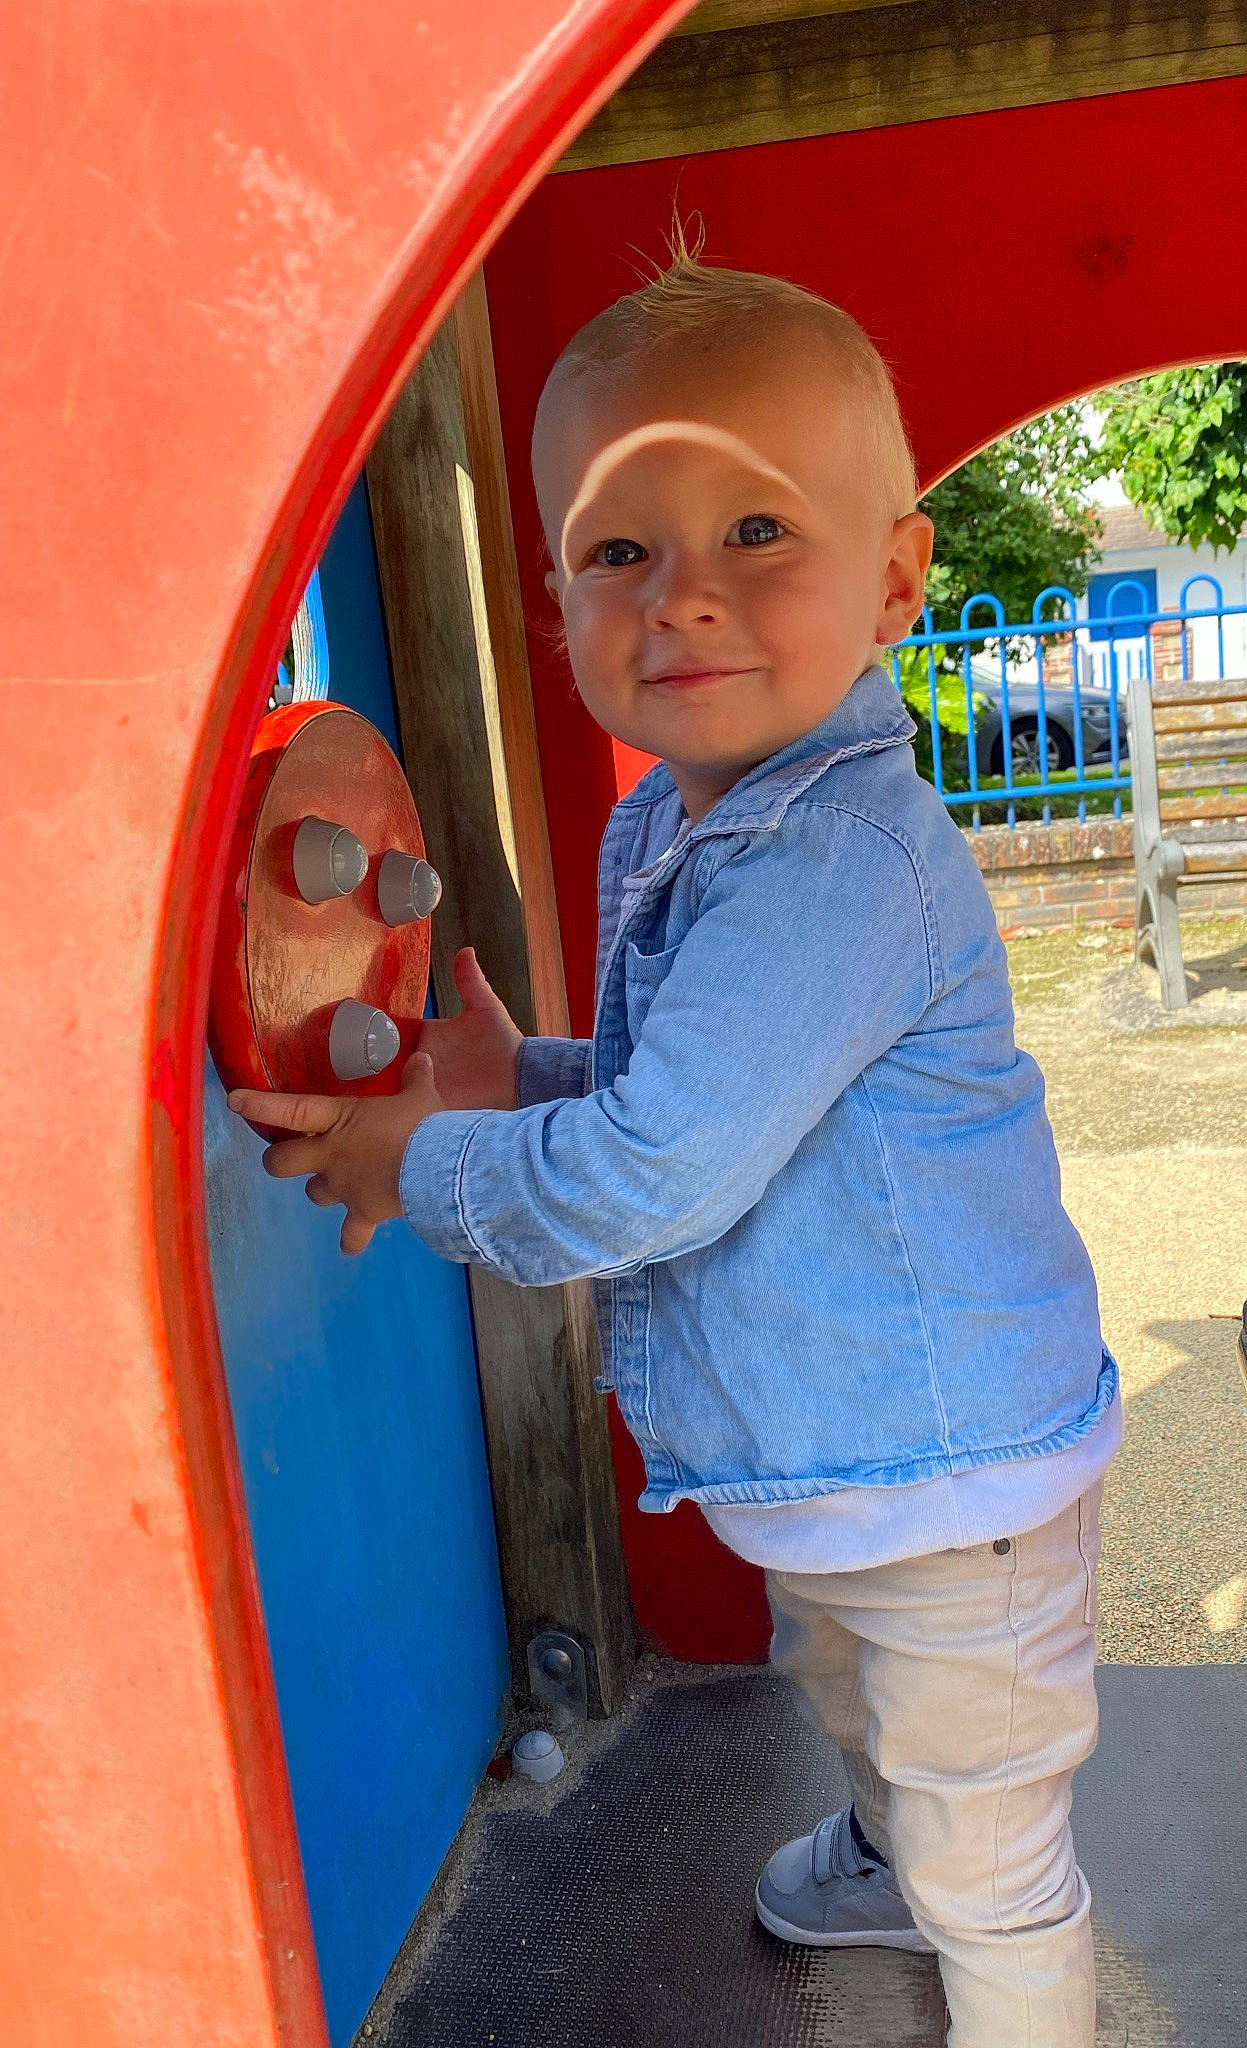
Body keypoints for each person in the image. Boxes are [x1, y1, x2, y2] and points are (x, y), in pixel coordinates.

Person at [230, 243, 1121, 2047]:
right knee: (848, 1690)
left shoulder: (836, 862)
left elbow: (654, 1176)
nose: (685, 601)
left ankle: (1011, 1981)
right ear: (556, 597)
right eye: (623, 551)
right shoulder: (688, 826)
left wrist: (419, 1164)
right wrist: (515, 1075)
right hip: (841, 1445)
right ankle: (889, 1852)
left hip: (953, 1474)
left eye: (759, 536)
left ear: (894, 580)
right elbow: (679, 1087)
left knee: (986, 1823)